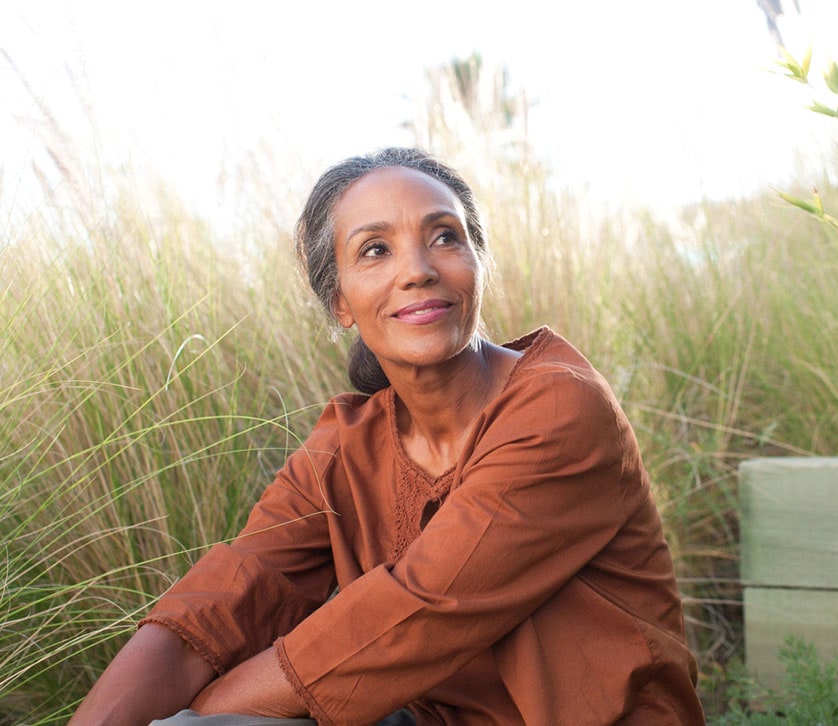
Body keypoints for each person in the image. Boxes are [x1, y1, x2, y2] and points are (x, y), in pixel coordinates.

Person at [70, 147, 705, 725]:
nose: (418, 270)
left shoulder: (558, 407)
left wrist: (197, 716)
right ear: (340, 302)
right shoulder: (347, 446)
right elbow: (227, 598)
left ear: (477, 264)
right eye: (375, 250)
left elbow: (420, 612)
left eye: (444, 238)